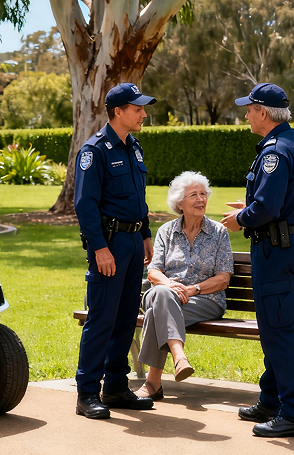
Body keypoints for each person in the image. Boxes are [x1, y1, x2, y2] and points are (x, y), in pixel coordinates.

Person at [221, 83, 294, 438]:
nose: (246, 115)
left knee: (280, 331)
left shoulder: (274, 151)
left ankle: (293, 414)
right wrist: (251, 208)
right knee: (280, 326)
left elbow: (267, 208)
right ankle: (271, 400)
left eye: (249, 109)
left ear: (263, 112)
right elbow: (286, 199)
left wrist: (241, 219)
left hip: (275, 250)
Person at [73, 82, 158, 419]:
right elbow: (85, 205)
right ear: (118, 111)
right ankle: (87, 393)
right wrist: (99, 248)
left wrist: (146, 234)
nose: (143, 114)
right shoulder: (95, 151)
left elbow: (138, 197)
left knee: (125, 318)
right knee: (102, 319)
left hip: (134, 243)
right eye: (137, 109)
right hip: (109, 244)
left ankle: (116, 387)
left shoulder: (133, 147)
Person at [135, 171, 233, 400]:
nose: (201, 199)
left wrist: (192, 289)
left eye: (203, 194)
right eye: (193, 195)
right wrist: (170, 285)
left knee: (156, 313)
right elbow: (153, 272)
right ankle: (179, 357)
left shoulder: (218, 232)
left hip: (205, 299)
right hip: (164, 293)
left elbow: (223, 278)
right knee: (161, 295)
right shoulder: (166, 231)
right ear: (179, 203)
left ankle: (153, 384)